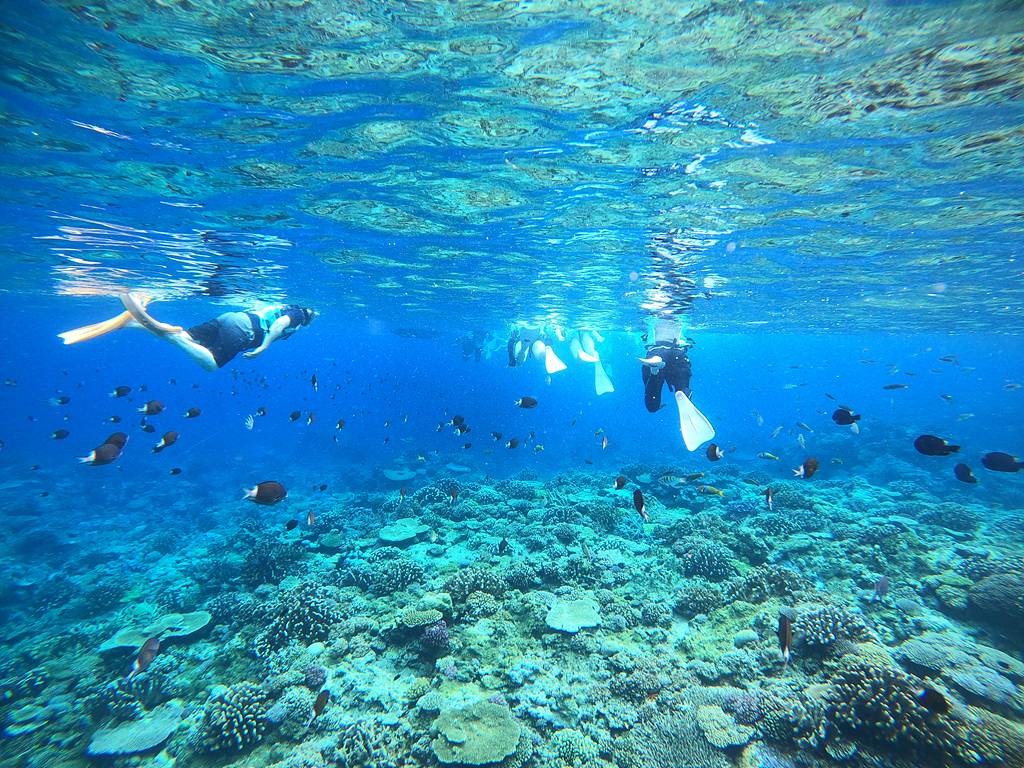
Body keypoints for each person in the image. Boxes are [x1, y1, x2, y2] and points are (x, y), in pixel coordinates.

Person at [59, 292, 315, 371]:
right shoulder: (298, 315)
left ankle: (133, 322)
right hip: (245, 331)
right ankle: (170, 333)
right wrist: (263, 348)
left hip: (233, 317)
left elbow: (256, 308)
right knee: (211, 365)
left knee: (189, 340)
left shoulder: (280, 303)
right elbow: (280, 325)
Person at [639, 318, 713, 451]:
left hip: (655, 354)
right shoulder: (681, 319)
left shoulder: (650, 320)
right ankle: (683, 392)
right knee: (682, 386)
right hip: (678, 355)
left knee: (652, 406)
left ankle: (655, 371)